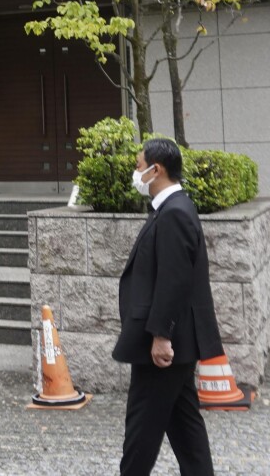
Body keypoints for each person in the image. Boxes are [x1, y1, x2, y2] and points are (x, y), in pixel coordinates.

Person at [112, 138, 224, 476]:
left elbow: (174, 281)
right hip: (176, 340)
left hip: (163, 344)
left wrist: (161, 336)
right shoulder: (173, 208)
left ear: (155, 169)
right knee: (185, 426)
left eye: (137, 165)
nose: (135, 173)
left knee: (142, 428)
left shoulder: (174, 212)